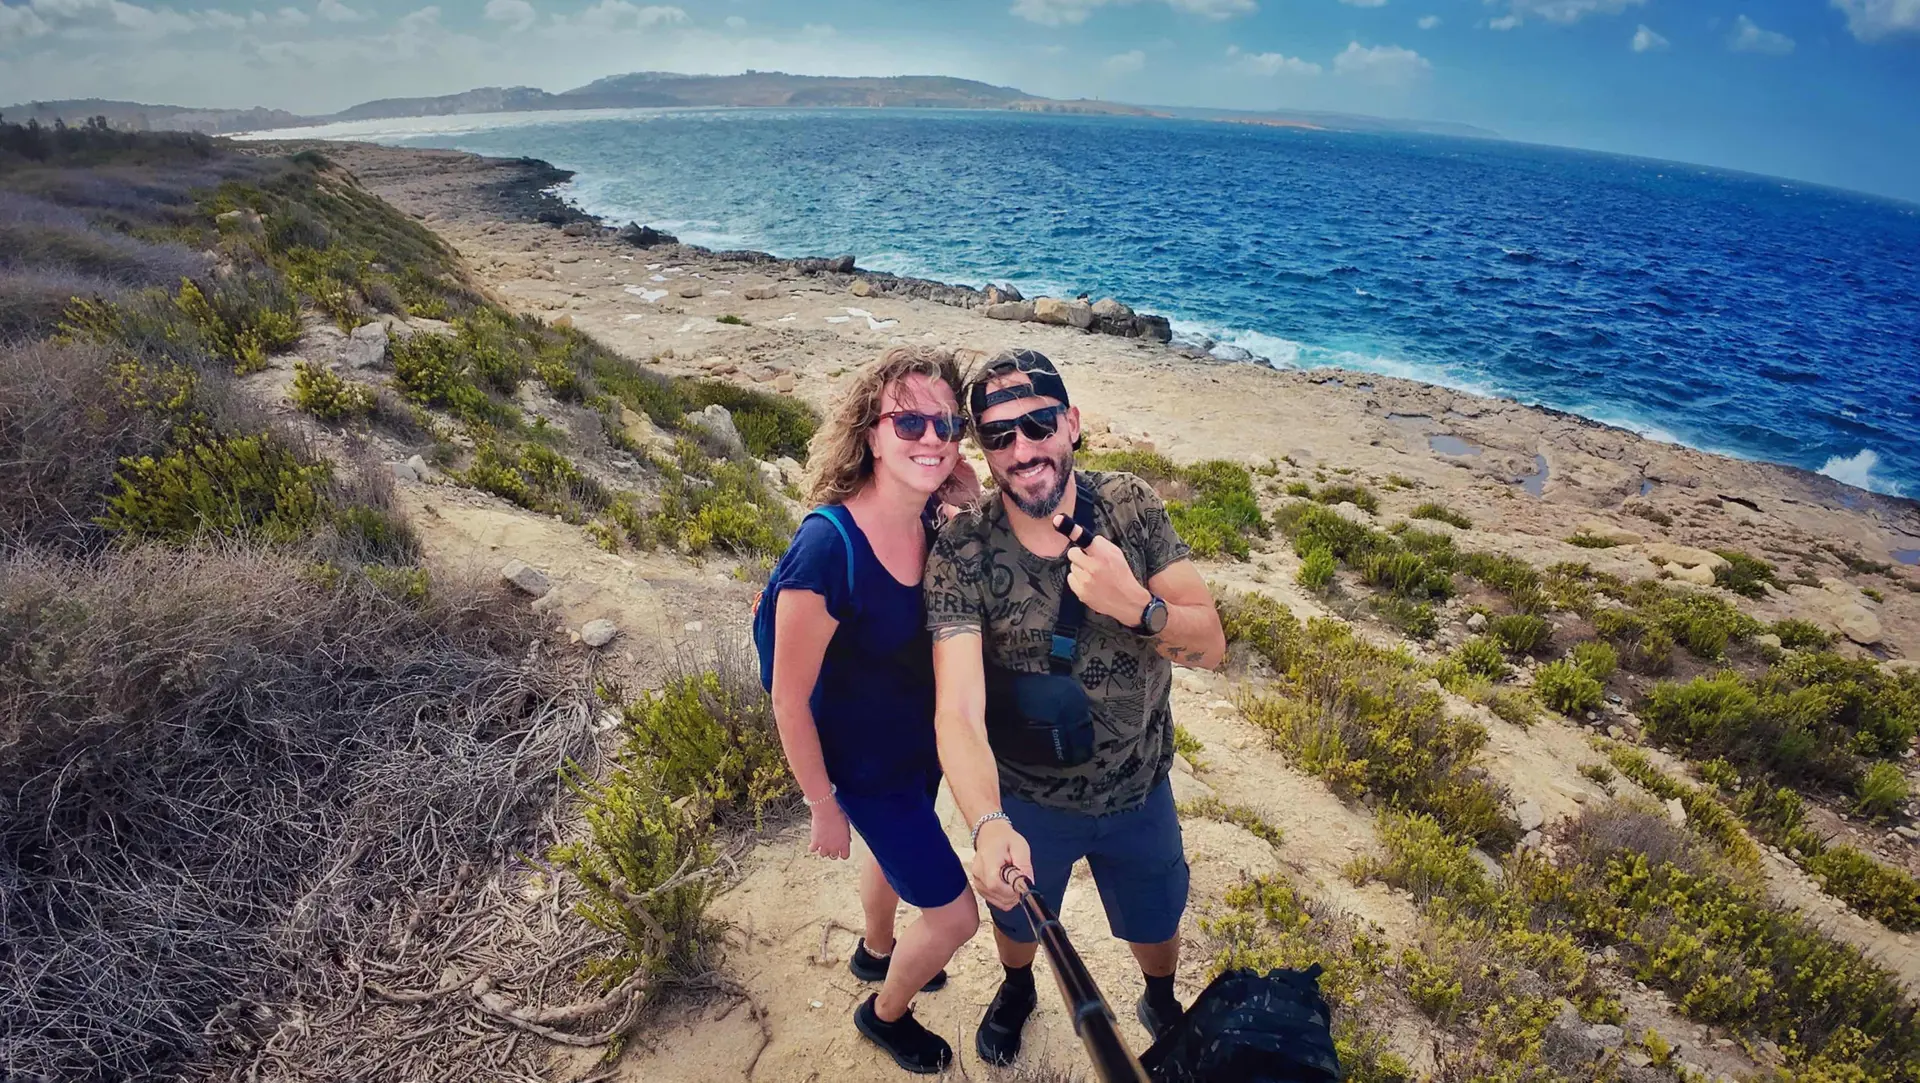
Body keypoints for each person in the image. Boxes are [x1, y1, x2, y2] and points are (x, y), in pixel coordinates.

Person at [923, 348, 1227, 1067]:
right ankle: (1018, 985)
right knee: (1018, 919)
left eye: (1038, 424)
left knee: (1156, 917)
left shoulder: (1130, 506)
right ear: (983, 449)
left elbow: (1211, 645)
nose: (1023, 449)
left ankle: (1159, 995)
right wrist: (988, 822)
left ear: (1072, 424)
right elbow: (957, 707)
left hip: (1139, 787)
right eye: (999, 435)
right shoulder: (963, 549)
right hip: (1027, 798)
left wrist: (1138, 607)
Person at [767, 345, 985, 1075]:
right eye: (910, 422)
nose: (932, 437)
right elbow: (788, 697)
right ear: (871, 434)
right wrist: (823, 805)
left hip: (914, 749)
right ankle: (884, 1012)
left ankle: (876, 949)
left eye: (946, 424)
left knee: (892, 862)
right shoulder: (827, 548)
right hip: (865, 772)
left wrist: (964, 500)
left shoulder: (930, 522)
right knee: (955, 917)